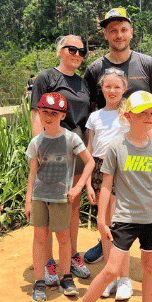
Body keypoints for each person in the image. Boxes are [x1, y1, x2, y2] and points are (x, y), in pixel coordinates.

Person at [61, 91, 152, 302]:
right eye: (143, 113)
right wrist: (102, 220)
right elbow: (107, 186)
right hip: (125, 218)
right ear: (128, 116)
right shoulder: (116, 148)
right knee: (111, 270)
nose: (149, 117)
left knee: (149, 268)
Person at [82, 7, 152, 300]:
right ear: (105, 34)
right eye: (112, 30)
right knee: (110, 212)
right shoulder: (95, 69)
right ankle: (108, 248)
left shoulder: (148, 64)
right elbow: (91, 112)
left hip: (140, 152)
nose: (118, 35)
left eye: (123, 29)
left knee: (146, 206)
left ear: (131, 32)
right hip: (109, 157)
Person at [84, 68, 152, 301]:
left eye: (117, 87)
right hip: (99, 169)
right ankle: (110, 276)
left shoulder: (129, 113)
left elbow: (151, 137)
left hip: (123, 170)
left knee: (119, 224)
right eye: (108, 86)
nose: (112, 90)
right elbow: (90, 149)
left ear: (124, 88)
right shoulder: (95, 117)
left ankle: (124, 278)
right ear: (102, 88)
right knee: (105, 225)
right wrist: (87, 182)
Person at [30, 35, 93, 285]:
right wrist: (39, 151)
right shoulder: (46, 78)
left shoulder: (83, 83)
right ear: (59, 51)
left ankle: (71, 257)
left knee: (71, 205)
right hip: (51, 147)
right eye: (72, 49)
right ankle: (49, 262)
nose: (77, 54)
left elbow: (88, 121)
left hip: (75, 147)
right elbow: (37, 114)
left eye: (81, 51)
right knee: (46, 204)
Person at [25, 92, 94, 302]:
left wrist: (78, 187)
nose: (49, 116)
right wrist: (28, 200)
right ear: (39, 114)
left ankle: (66, 278)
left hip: (62, 198)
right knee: (39, 238)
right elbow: (32, 173)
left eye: (54, 113)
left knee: (64, 238)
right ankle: (39, 282)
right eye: (45, 112)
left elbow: (89, 163)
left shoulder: (71, 139)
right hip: (40, 197)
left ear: (62, 115)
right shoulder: (36, 142)